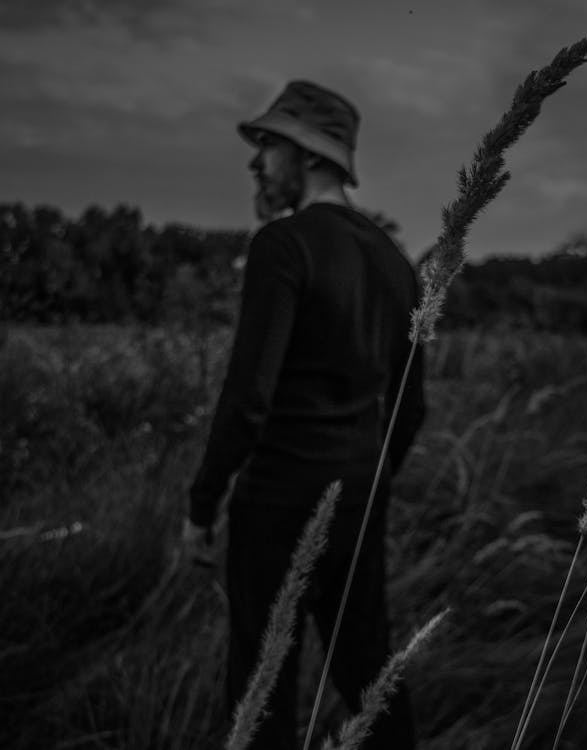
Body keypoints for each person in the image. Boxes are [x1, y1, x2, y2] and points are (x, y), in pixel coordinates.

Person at [181, 79, 426, 750]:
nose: (255, 163)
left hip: (275, 505)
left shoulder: (282, 246)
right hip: (355, 503)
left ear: (311, 157)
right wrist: (368, 486)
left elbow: (248, 398)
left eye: (269, 146)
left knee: (261, 690)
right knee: (368, 674)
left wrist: (202, 506)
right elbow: (411, 408)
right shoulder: (399, 267)